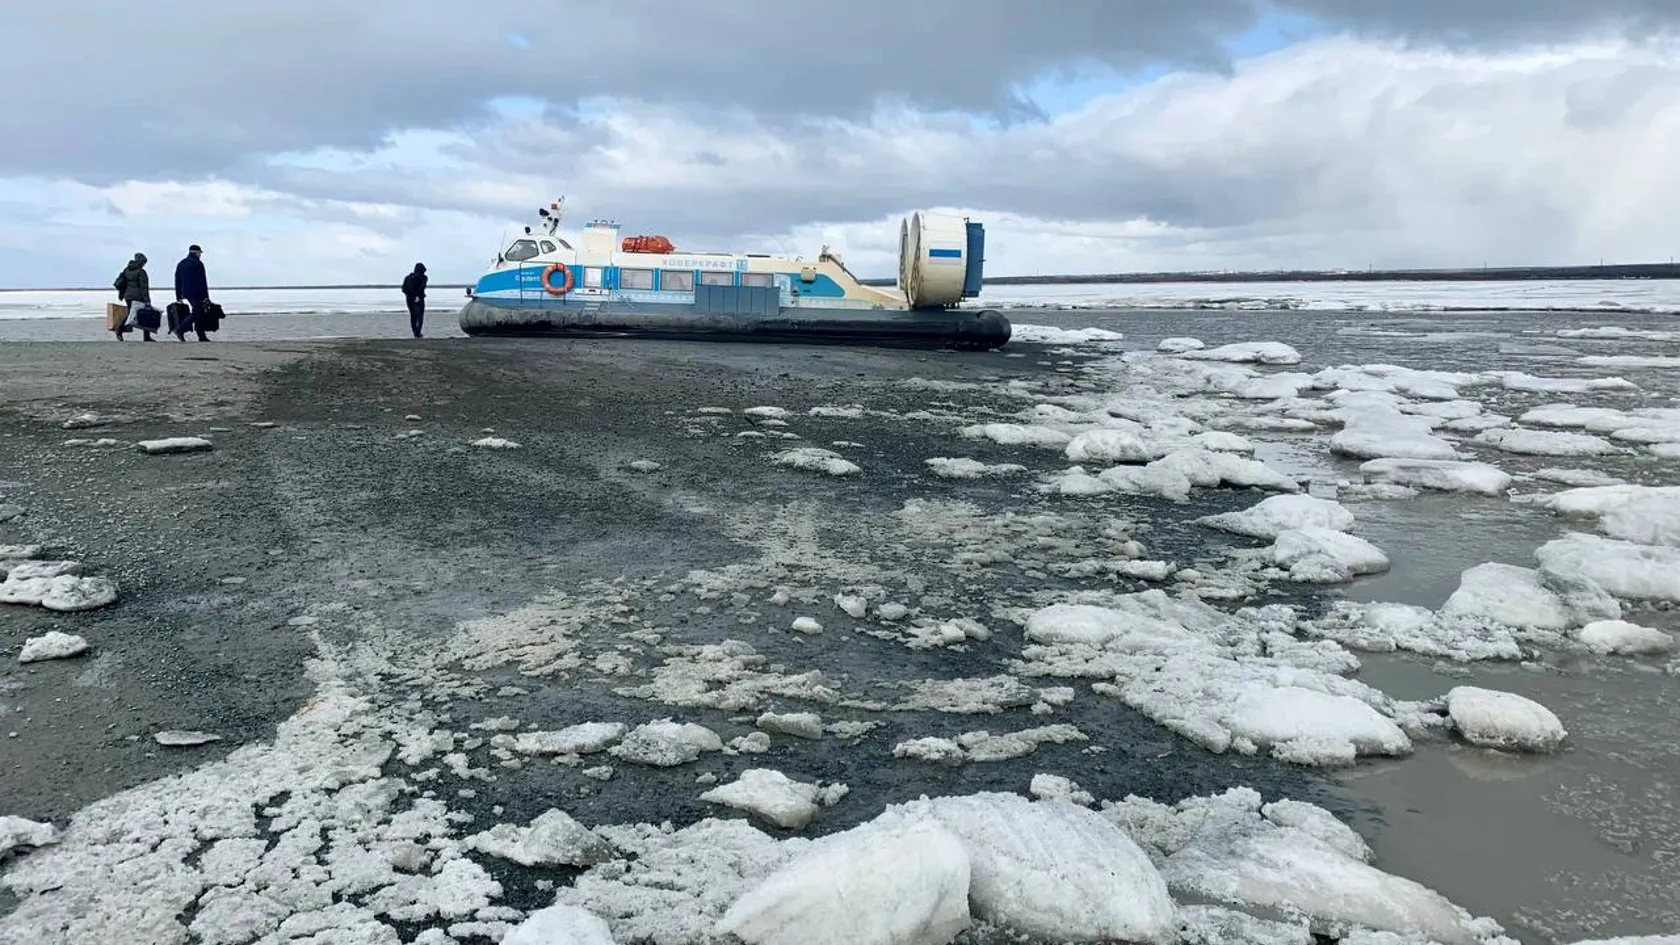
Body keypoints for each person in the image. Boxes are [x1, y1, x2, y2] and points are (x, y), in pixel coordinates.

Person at [112, 253, 157, 341]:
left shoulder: (126, 270)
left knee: (130, 314)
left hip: (128, 296)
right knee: (145, 315)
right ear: (142, 262)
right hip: (138, 296)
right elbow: (144, 288)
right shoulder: (141, 272)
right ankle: (145, 336)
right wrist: (147, 300)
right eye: (144, 263)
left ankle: (120, 330)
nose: (144, 265)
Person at [173, 244, 212, 342]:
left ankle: (201, 336)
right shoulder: (198, 264)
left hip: (186, 293)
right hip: (198, 292)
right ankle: (180, 329)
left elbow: (177, 280)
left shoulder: (181, 263)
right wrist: (206, 296)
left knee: (198, 313)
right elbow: (203, 281)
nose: (200, 255)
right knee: (196, 313)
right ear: (197, 253)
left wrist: (178, 296)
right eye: (199, 253)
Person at [401, 262, 428, 338]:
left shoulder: (407, 277)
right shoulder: (424, 277)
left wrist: (410, 295)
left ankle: (415, 332)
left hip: (409, 298)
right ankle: (417, 332)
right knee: (420, 316)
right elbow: (421, 288)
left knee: (413, 315)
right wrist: (417, 296)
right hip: (419, 298)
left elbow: (403, 289)